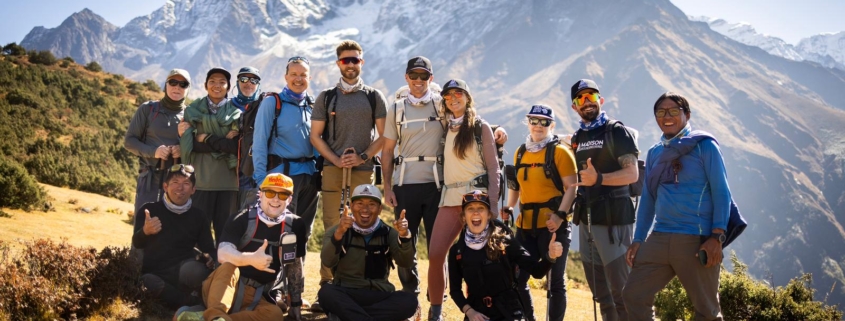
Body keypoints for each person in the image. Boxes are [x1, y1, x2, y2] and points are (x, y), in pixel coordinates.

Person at [382, 56, 510, 295]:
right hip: (408, 184)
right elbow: (387, 150)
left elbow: (468, 120)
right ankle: (414, 295)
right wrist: (387, 187)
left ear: (431, 79)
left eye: (423, 76)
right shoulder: (397, 109)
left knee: (449, 249)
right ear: (406, 78)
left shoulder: (440, 106)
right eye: (414, 75)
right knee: (407, 242)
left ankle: (441, 298)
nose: (418, 80)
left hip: (439, 188)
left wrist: (495, 129)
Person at [621, 92, 730, 320]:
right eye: (660, 112)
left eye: (673, 111)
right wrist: (639, 239)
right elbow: (649, 198)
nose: (666, 116)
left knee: (707, 310)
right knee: (634, 295)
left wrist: (717, 237)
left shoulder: (705, 147)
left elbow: (722, 193)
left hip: (696, 238)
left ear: (687, 114)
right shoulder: (655, 153)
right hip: (660, 237)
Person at [310, 40, 388, 304]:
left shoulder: (374, 96)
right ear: (338, 63)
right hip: (333, 170)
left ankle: (358, 284)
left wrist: (363, 156)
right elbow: (315, 136)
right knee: (332, 226)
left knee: (363, 225)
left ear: (362, 63)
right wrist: (336, 159)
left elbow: (385, 135)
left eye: (355, 60)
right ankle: (326, 285)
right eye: (346, 60)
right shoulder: (326, 97)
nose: (351, 64)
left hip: (363, 171)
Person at [175, 173, 308, 321]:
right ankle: (215, 315)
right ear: (261, 194)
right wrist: (251, 259)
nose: (276, 199)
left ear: (289, 199)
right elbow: (223, 253)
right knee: (228, 266)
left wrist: (295, 303)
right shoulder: (241, 218)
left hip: (257, 295)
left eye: (283, 195)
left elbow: (295, 264)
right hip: (223, 286)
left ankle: (212, 318)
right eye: (270, 193)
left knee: (275, 315)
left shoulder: (296, 225)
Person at [426, 79, 501, 321]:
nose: (453, 98)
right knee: (436, 254)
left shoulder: (481, 127)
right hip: (449, 199)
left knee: (478, 259)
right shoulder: (445, 127)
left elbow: (494, 168)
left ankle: (479, 311)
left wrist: (494, 206)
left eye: (458, 93)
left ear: (467, 97)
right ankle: (436, 311)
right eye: (448, 96)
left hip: (477, 202)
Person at [568, 79, 639, 321]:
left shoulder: (616, 131)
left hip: (615, 220)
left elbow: (632, 174)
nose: (587, 101)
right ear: (574, 107)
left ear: (601, 100)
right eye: (581, 98)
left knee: (622, 291)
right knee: (600, 293)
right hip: (587, 221)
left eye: (591, 96)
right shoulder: (577, 137)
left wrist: (598, 178)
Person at [502, 104, 577, 321]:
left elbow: (572, 188)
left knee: (554, 283)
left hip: (553, 228)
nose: (538, 126)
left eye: (544, 122)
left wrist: (559, 216)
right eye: (533, 120)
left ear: (551, 125)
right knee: (518, 279)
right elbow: (516, 186)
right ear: (527, 122)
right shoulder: (520, 152)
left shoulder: (560, 152)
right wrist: (509, 206)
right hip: (525, 227)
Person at [450, 190, 564, 321]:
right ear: (464, 216)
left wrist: (551, 255)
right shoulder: (457, 251)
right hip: (477, 313)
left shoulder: (505, 241)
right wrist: (470, 312)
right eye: (470, 208)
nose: (476, 212)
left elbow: (537, 271)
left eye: (481, 208)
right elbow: (455, 291)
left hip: (509, 311)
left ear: (488, 215)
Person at [318, 184, 418, 321]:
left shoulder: (389, 233)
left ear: (380, 209)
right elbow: (327, 261)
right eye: (359, 203)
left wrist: (405, 236)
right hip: (347, 291)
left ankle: (349, 316)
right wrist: (339, 234)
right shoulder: (337, 231)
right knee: (326, 293)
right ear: (352, 206)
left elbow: (405, 262)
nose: (365, 209)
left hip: (379, 294)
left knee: (409, 301)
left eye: (372, 204)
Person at [252, 57, 319, 250]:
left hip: (309, 176)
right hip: (281, 177)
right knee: (282, 230)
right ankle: (276, 276)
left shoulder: (312, 105)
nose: (298, 79)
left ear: (310, 77)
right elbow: (259, 142)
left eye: (303, 75)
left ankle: (297, 277)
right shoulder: (273, 103)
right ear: (286, 77)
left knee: (304, 231)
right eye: (294, 74)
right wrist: (260, 180)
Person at [132, 164, 215, 309]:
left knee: (199, 271)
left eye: (186, 184)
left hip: (184, 272)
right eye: (175, 183)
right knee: (147, 282)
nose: (180, 188)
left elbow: (208, 248)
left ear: (193, 189)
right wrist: (145, 231)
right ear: (165, 186)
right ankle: (187, 301)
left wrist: (210, 258)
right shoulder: (149, 210)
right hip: (155, 273)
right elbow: (136, 243)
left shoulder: (199, 216)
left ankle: (180, 299)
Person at [179, 67, 241, 243]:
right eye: (212, 81)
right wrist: (222, 142)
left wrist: (206, 138)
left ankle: (222, 271)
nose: (217, 85)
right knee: (198, 234)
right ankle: (197, 270)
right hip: (201, 181)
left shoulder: (236, 114)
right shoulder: (192, 110)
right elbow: (191, 145)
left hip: (228, 183)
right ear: (205, 85)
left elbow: (235, 148)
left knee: (226, 235)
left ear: (228, 87)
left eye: (222, 82)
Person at [124, 69, 190, 222]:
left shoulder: (191, 115)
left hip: (177, 182)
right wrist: (154, 152)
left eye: (183, 84)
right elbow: (129, 141)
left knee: (171, 229)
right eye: (173, 82)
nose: (177, 87)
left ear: (188, 89)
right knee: (144, 225)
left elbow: (197, 149)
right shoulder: (148, 109)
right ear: (165, 85)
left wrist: (183, 149)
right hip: (149, 178)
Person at [230, 66, 264, 209]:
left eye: (254, 80)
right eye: (244, 79)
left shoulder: (265, 107)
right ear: (237, 82)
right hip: (229, 174)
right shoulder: (226, 107)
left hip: (255, 173)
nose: (248, 83)